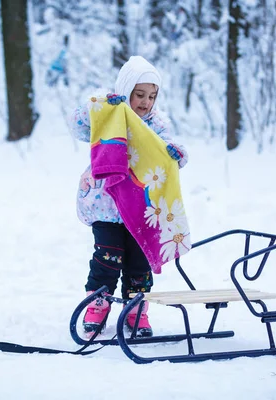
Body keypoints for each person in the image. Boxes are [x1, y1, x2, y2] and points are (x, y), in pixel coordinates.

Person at [68, 56, 189, 337]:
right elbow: (78, 126)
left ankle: (136, 308)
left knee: (139, 261)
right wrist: (96, 106)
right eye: (139, 95)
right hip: (105, 205)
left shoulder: (155, 124)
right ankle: (97, 305)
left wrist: (177, 153)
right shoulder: (109, 113)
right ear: (126, 91)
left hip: (141, 207)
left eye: (152, 96)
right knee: (107, 258)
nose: (146, 102)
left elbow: (167, 147)